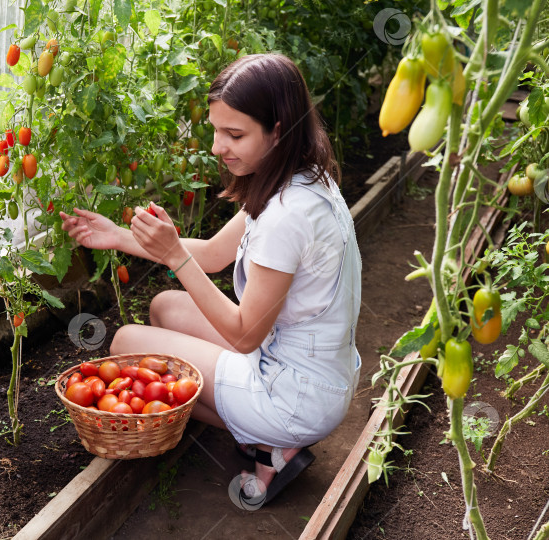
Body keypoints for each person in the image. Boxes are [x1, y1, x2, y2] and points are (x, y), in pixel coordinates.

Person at [59, 54, 361, 509]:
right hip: (314, 370)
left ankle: (272, 443)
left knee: (124, 343)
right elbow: (218, 256)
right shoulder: (298, 178)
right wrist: (119, 237)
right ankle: (269, 439)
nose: (219, 147)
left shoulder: (287, 215)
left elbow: (243, 334)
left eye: (235, 134)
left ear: (278, 129)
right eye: (217, 130)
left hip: (294, 394)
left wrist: (174, 255)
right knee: (164, 307)